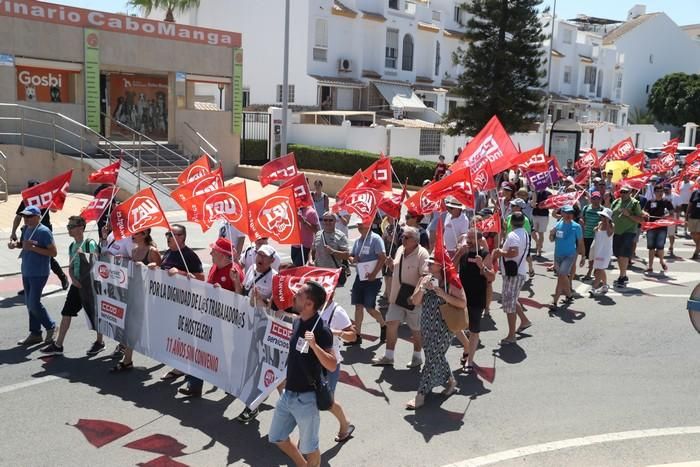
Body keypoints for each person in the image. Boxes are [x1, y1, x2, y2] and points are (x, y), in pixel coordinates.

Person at [268, 281, 336, 467]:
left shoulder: (321, 330)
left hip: (306, 399)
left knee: (310, 448)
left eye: (298, 294)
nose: (294, 295)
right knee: (276, 437)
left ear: (309, 304)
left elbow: (331, 364)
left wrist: (314, 345)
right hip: (288, 395)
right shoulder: (298, 321)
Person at [179, 238, 243, 397]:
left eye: (214, 251)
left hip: (225, 323)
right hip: (209, 317)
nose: (211, 253)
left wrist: (234, 284)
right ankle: (194, 385)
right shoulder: (215, 266)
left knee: (224, 356)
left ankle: (231, 384)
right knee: (199, 350)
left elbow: (240, 300)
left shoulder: (234, 271)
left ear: (222, 254)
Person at [405, 256, 466, 410]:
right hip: (427, 323)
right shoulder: (424, 278)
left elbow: (462, 303)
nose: (429, 265)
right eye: (429, 262)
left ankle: (421, 394)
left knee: (432, 358)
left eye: (433, 263)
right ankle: (451, 381)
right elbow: (415, 301)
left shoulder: (451, 280)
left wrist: (442, 293)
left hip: (445, 325)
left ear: (441, 265)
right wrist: (423, 288)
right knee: (435, 355)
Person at [41, 216, 100, 356]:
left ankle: (99, 342)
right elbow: (71, 266)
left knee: (95, 313)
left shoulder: (89, 243)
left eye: (71, 226)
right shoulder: (72, 246)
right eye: (68, 226)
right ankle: (58, 345)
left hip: (89, 286)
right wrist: (73, 279)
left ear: (81, 228)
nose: (68, 229)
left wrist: (84, 256)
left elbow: (95, 263)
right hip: (77, 285)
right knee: (66, 312)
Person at [234, 243, 280, 422]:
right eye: (258, 255)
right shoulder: (251, 269)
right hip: (245, 322)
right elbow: (241, 293)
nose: (259, 259)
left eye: (264, 256)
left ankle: (254, 404)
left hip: (263, 327)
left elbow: (275, 308)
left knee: (258, 367)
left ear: (271, 261)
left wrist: (262, 299)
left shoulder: (275, 278)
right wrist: (236, 281)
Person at [372, 227, 429, 368]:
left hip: (413, 299)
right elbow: (396, 270)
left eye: (406, 237)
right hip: (396, 297)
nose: (402, 239)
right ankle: (389, 356)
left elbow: (425, 276)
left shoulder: (422, 254)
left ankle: (417, 357)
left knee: (416, 330)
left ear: (415, 240)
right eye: (402, 236)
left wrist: (416, 295)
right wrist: (391, 265)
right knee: (391, 324)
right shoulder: (399, 250)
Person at [156, 225, 205, 379]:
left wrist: (181, 273)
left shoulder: (189, 255)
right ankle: (179, 365)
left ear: (182, 237)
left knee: (182, 337)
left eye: (171, 234)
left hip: (184, 303)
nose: (168, 238)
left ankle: (181, 368)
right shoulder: (169, 253)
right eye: (167, 235)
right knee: (171, 334)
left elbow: (201, 279)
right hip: (168, 301)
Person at [110, 228, 162, 370]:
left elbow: (161, 275)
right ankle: (127, 360)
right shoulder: (133, 251)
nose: (132, 235)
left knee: (151, 328)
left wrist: (150, 267)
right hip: (135, 293)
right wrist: (123, 260)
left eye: (136, 233)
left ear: (144, 235)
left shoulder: (152, 251)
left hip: (149, 296)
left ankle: (164, 351)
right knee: (130, 326)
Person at [9, 206, 58, 346]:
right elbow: (24, 244)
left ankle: (51, 326)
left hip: (39, 272)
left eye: (29, 216)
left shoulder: (44, 232)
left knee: (33, 303)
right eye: (24, 216)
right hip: (27, 270)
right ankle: (35, 333)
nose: (26, 219)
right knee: (30, 304)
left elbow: (53, 252)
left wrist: (33, 248)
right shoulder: (26, 229)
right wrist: (15, 245)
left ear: (38, 217)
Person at [11, 180, 69, 293]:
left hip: (43, 229)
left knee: (48, 256)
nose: (36, 191)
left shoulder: (45, 198)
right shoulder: (26, 200)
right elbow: (18, 217)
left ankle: (62, 277)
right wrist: (13, 232)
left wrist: (51, 201)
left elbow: (54, 210)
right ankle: (29, 284)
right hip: (29, 229)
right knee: (28, 255)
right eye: (33, 189)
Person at [454, 229, 495, 372]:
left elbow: (491, 277)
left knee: (473, 331)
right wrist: (458, 254)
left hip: (477, 298)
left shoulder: (484, 254)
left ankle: (469, 361)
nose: (469, 241)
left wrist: (481, 266)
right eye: (467, 238)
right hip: (460, 297)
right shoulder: (463, 252)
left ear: (479, 240)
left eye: (472, 238)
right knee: (455, 326)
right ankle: (467, 348)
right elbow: (451, 270)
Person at [320, 298, 357, 444]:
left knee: (326, 401)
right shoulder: (311, 305)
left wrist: (336, 332)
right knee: (310, 401)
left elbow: (353, 336)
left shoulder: (337, 311)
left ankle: (345, 424)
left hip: (329, 364)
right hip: (311, 361)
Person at [491, 212, 531, 345]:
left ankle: (511, 335)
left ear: (511, 223)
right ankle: (524, 321)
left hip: (513, 274)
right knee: (512, 300)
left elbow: (514, 252)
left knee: (509, 305)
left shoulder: (513, 235)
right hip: (518, 272)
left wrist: (500, 252)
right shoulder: (524, 233)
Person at [346, 221, 386, 346]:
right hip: (360, 277)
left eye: (362, 225)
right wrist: (353, 259)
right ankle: (357, 335)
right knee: (358, 306)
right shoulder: (358, 241)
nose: (360, 227)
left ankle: (383, 325)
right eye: (358, 225)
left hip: (373, 279)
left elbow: (382, 257)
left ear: (369, 225)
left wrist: (374, 274)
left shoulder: (376, 239)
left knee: (370, 308)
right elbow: (351, 256)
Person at [548, 205, 584, 309]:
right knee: (562, 276)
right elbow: (551, 240)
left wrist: (583, 257)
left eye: (571, 213)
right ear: (562, 213)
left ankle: (554, 302)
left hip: (570, 255)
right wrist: (551, 234)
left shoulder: (576, 226)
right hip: (558, 255)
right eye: (566, 213)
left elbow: (581, 243)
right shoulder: (558, 225)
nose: (569, 215)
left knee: (562, 275)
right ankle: (569, 295)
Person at [611, 186, 644, 288]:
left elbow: (640, 219)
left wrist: (628, 214)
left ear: (630, 192)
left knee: (623, 254)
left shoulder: (634, 203)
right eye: (622, 191)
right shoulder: (616, 202)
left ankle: (622, 276)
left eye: (626, 192)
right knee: (617, 254)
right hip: (616, 232)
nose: (624, 193)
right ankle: (623, 275)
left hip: (628, 232)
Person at [643, 184, 674, 273]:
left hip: (662, 227)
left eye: (661, 191)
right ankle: (650, 266)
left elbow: (672, 213)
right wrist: (646, 214)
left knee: (660, 247)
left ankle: (661, 261)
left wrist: (665, 216)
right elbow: (644, 211)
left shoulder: (666, 202)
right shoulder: (650, 201)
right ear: (654, 192)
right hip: (651, 226)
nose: (660, 193)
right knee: (651, 247)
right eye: (658, 191)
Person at [589, 208, 614, 296]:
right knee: (600, 268)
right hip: (598, 250)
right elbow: (596, 234)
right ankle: (604, 285)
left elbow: (609, 234)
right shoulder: (599, 224)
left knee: (599, 269)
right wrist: (596, 229)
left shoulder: (611, 225)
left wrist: (607, 222)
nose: (602, 218)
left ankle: (594, 287)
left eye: (604, 216)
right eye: (602, 216)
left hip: (605, 251)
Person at [580, 192, 604, 280]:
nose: (595, 200)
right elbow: (582, 218)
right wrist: (582, 221)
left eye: (597, 198)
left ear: (600, 199)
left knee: (592, 256)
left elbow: (604, 221)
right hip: (585, 235)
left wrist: (599, 225)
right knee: (583, 254)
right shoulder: (586, 208)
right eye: (594, 198)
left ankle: (589, 272)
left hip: (596, 236)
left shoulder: (602, 209)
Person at [531, 189, 551, 257]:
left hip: (543, 215)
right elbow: (532, 203)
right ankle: (537, 242)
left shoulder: (548, 193)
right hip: (535, 214)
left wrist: (543, 206)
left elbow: (550, 204)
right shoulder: (535, 192)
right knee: (532, 232)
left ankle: (539, 250)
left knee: (540, 233)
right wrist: (533, 204)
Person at [687, 178, 700, 260]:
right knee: (692, 234)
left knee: (698, 234)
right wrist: (687, 214)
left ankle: (696, 252)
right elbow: (690, 204)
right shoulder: (695, 193)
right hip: (693, 216)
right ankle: (698, 247)